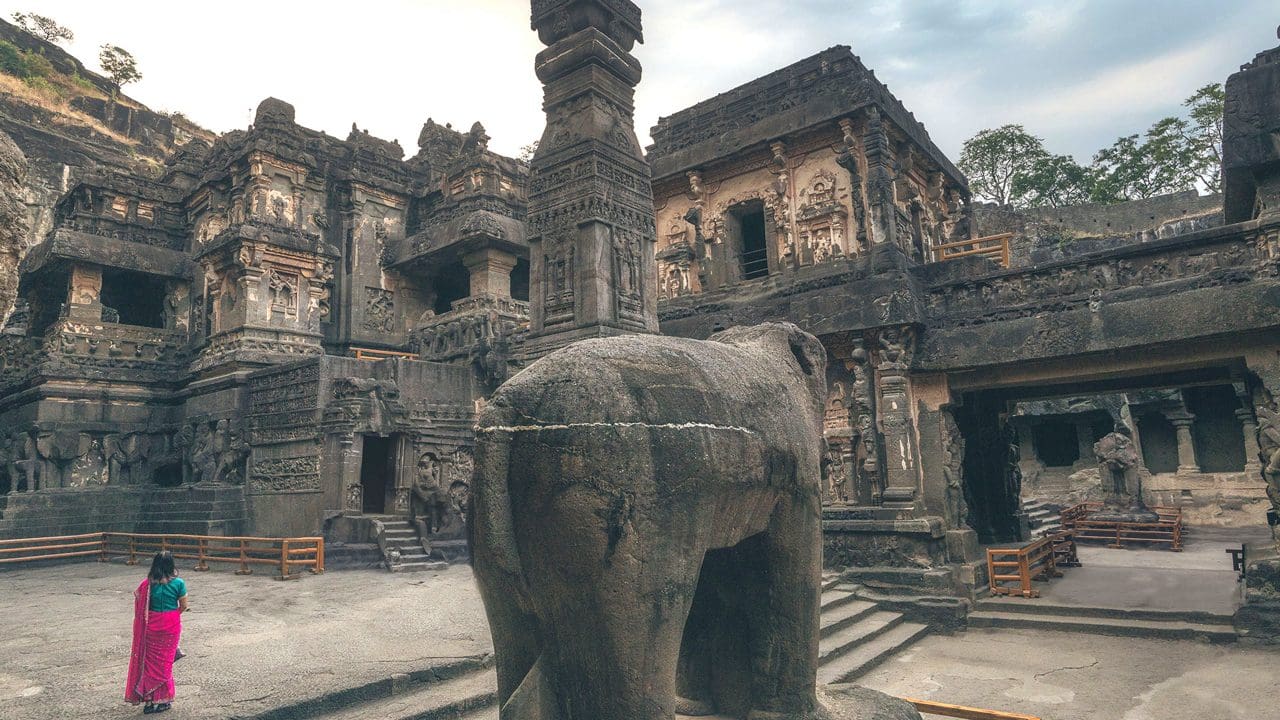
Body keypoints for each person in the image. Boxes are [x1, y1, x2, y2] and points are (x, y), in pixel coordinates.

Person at [125, 551, 188, 714]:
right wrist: (173, 616)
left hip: (151, 625)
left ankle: (149, 701)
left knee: (151, 664)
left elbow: (140, 601)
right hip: (171, 624)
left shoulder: (147, 584)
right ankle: (163, 700)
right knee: (165, 663)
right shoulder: (179, 583)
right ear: (171, 565)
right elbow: (183, 606)